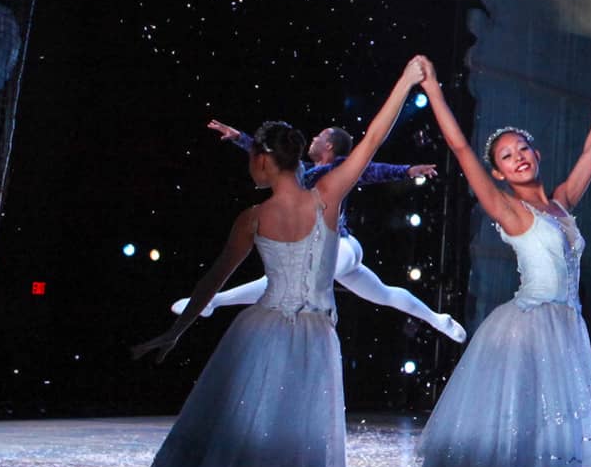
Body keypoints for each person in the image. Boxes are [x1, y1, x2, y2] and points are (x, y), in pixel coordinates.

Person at [121, 58, 424, 467]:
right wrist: (403, 82)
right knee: (281, 445)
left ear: (262, 161)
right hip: (307, 338)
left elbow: (212, 282)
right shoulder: (325, 200)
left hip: (260, 333)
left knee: (228, 435)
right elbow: (374, 139)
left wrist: (177, 331)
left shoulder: (255, 216)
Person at [368, 63, 591, 467]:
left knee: (520, 455)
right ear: (502, 174)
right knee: (481, 443)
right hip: (522, 334)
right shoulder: (507, 207)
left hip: (560, 336)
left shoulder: (559, 203)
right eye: (508, 156)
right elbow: (463, 149)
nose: (519, 157)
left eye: (523, 149)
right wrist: (434, 90)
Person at [187, 118, 463, 343]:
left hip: (340, 246)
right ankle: (438, 319)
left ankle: (213, 300)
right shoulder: (305, 173)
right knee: (384, 294)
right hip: (343, 251)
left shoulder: (339, 168)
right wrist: (240, 138)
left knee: (288, 280)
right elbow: (275, 162)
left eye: (319, 135)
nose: (313, 139)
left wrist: (407, 171)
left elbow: (371, 170)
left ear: (329, 144)